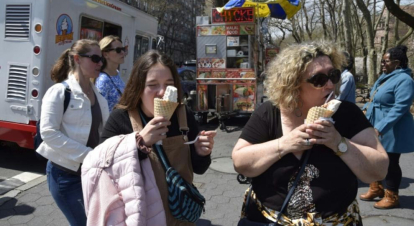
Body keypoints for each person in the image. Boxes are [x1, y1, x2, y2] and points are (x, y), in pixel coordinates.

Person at [232, 41, 388, 225]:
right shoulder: (269, 112)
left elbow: (379, 170)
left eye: (333, 75)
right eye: (319, 80)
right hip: (269, 220)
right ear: (293, 84)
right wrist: (284, 144)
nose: (330, 85)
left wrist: (339, 143)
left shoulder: (347, 114)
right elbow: (240, 162)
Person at [100, 50, 216, 225]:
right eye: (152, 85)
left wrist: (201, 153)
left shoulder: (183, 116)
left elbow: (199, 169)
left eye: (169, 84)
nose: (162, 92)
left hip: (180, 216)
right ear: (138, 88)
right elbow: (102, 168)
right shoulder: (121, 118)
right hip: (139, 217)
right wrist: (139, 143)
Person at [36, 39, 109, 225]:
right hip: (65, 175)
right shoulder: (59, 92)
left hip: (92, 174)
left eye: (101, 59)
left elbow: (103, 132)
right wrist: (89, 155)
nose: (100, 63)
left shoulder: (98, 95)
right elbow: (48, 133)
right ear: (77, 59)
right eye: (94, 58)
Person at [360, 45, 414, 209]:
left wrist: (380, 127)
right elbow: (375, 99)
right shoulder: (386, 76)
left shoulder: (405, 80)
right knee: (373, 157)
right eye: (382, 61)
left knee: (390, 162)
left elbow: (400, 107)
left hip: (392, 129)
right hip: (376, 123)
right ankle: (376, 188)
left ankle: (392, 196)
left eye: (386, 61)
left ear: (397, 63)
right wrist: (363, 112)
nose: (382, 64)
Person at [95, 35, 127, 111]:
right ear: (105, 54)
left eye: (123, 49)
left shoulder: (116, 73)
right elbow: (99, 110)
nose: (123, 53)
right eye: (118, 50)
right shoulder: (103, 80)